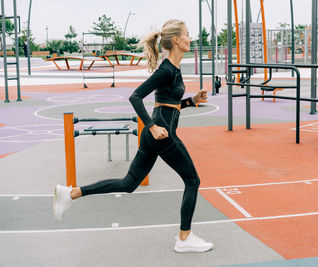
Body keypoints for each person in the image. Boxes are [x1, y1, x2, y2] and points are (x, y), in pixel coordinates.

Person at [53, 19, 213, 253]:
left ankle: (71, 193)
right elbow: (135, 97)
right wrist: (151, 126)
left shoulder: (174, 69)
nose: (191, 39)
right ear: (177, 40)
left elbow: (169, 105)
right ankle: (184, 238)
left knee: (129, 184)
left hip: (156, 134)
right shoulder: (167, 69)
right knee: (193, 181)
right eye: (188, 35)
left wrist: (192, 101)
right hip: (161, 135)